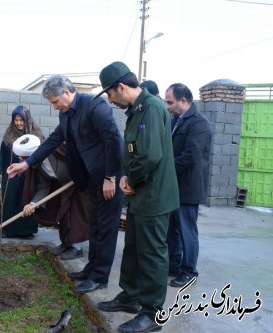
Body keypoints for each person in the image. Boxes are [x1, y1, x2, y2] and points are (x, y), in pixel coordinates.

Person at [7, 75, 124, 294]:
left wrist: (111, 178)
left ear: (67, 93)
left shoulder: (94, 107)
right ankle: (91, 269)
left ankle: (100, 277)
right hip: (89, 180)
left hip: (107, 179)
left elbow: (114, 142)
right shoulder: (66, 115)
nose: (54, 107)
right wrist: (27, 164)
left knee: (106, 229)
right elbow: (52, 141)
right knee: (95, 226)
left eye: (55, 102)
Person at [94, 61, 179, 333]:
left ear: (121, 87)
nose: (110, 100)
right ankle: (130, 296)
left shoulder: (151, 107)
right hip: (139, 195)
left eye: (110, 94)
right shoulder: (137, 109)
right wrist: (125, 177)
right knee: (132, 248)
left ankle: (152, 313)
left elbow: (150, 155)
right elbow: (134, 151)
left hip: (153, 196)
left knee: (152, 254)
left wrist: (131, 179)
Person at [164, 83, 212, 287]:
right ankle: (174, 265)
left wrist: (164, 168)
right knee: (172, 230)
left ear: (184, 101)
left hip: (189, 187)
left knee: (186, 231)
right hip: (176, 186)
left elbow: (191, 157)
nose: (167, 106)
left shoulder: (198, 123)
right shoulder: (177, 120)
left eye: (170, 102)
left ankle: (189, 271)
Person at [13, 135, 89, 260]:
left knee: (77, 215)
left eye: (25, 159)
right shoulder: (38, 167)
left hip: (81, 183)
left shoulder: (59, 151)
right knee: (63, 214)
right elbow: (43, 187)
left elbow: (83, 158)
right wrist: (33, 204)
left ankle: (77, 247)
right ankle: (66, 243)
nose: (23, 162)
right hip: (66, 185)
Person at [0, 105, 43, 238]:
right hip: (10, 173)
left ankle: (26, 231)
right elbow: (2, 154)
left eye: (21, 120)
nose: (18, 123)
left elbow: (43, 152)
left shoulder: (36, 134)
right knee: (9, 200)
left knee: (25, 199)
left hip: (29, 174)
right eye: (16, 120)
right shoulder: (9, 134)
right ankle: (7, 230)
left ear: (26, 119)